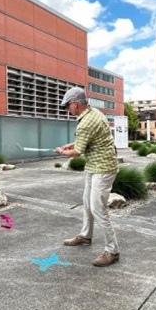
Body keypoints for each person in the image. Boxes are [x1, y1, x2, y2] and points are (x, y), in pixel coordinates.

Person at [54, 87, 120, 267]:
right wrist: (71, 143)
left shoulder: (85, 123)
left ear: (75, 104)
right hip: (95, 166)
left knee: (98, 209)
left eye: (68, 106)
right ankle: (85, 236)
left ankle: (112, 251)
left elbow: (77, 152)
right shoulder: (94, 113)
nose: (68, 109)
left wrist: (62, 151)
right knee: (87, 203)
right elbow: (85, 140)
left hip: (103, 169)